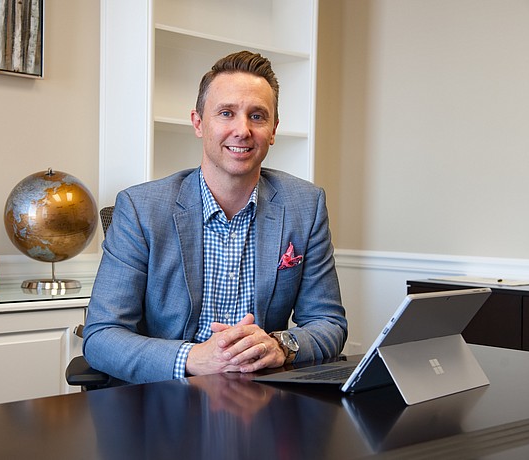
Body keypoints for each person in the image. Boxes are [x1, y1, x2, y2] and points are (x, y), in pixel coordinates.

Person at [83, 50, 347, 384]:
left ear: (273, 130)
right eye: (226, 113)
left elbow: (329, 323)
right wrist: (195, 357)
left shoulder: (305, 205)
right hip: (169, 391)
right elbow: (102, 336)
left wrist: (281, 345)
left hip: (263, 392)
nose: (242, 130)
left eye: (257, 116)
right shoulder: (140, 208)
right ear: (198, 123)